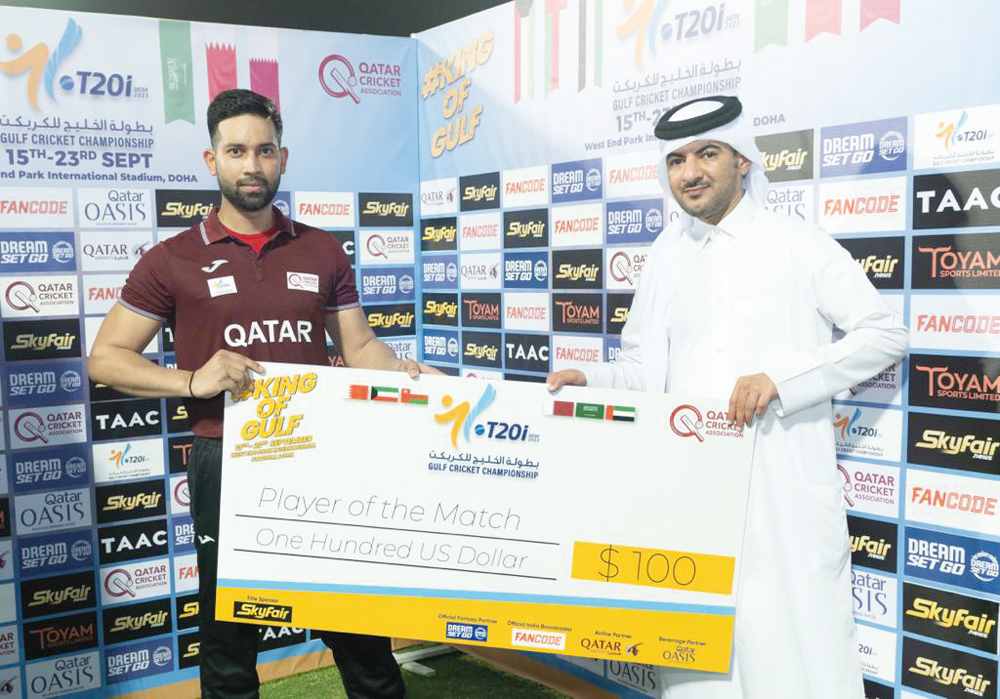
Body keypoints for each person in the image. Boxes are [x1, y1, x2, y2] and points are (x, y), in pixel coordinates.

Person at [547, 95, 907, 698]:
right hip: (689, 493)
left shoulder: (797, 242)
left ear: (743, 161)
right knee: (698, 666)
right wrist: (595, 380)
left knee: (799, 653)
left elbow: (886, 333)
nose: (690, 172)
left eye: (707, 154)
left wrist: (782, 380)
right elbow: (642, 369)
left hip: (782, 490)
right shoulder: (665, 254)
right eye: (677, 160)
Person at [89, 89, 431, 699]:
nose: (252, 164)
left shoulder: (322, 248)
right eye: (237, 150)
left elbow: (359, 349)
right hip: (228, 458)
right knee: (229, 630)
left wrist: (402, 370)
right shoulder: (172, 259)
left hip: (321, 454)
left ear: (283, 157)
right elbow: (106, 359)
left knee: (355, 622)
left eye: (264, 150)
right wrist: (192, 381)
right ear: (211, 159)